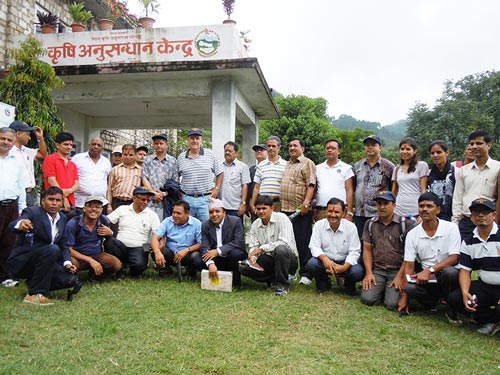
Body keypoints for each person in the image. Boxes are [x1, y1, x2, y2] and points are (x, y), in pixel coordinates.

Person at [7, 187, 81, 305]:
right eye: (50, 199)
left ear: (62, 202)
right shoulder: (32, 212)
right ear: (42, 201)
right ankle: (34, 294)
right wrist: (21, 224)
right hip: (23, 262)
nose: (54, 203)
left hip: (45, 261)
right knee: (52, 249)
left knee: (70, 279)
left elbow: (63, 245)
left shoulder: (62, 218)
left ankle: (33, 282)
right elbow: (12, 225)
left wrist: (67, 263)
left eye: (58, 200)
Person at [399, 192, 460, 313]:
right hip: (426, 279)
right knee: (409, 287)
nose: (424, 209)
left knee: (450, 272)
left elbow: (455, 257)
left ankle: (450, 306)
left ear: (438, 209)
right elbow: (409, 266)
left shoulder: (451, 228)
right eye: (421, 206)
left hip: (446, 275)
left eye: (429, 206)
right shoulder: (412, 234)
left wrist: (430, 270)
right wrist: (404, 298)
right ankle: (432, 304)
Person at [447, 198, 500, 336]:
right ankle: (490, 319)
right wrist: (465, 294)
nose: (480, 215)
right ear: (471, 217)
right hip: (485, 286)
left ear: (494, 215)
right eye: (476, 212)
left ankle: (493, 320)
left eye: (485, 212)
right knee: (455, 298)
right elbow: (465, 270)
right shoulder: (469, 241)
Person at [361, 191, 412, 309]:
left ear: (394, 205)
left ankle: (387, 292)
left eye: (386, 203)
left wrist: (400, 276)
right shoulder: (370, 224)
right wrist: (369, 273)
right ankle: (382, 289)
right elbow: (367, 250)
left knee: (392, 304)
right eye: (379, 204)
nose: (382, 207)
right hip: (378, 270)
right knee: (367, 299)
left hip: (397, 270)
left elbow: (409, 255)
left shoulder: (405, 224)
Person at [240, 195, 298, 296]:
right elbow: (253, 246)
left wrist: (261, 249)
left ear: (272, 208)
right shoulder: (255, 224)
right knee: (242, 267)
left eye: (264, 208)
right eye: (258, 209)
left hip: (288, 259)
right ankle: (273, 280)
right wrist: (253, 257)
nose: (261, 211)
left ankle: (282, 285)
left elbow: (284, 242)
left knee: (280, 250)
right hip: (269, 259)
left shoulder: (282, 218)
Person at [305, 197, 364, 295]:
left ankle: (348, 284)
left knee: (357, 271)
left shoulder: (351, 227)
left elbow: (355, 251)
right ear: (325, 212)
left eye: (337, 212)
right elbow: (314, 246)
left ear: (344, 213)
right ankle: (324, 282)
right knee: (312, 264)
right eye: (329, 212)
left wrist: (344, 267)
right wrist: (325, 259)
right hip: (326, 261)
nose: (333, 215)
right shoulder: (318, 225)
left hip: (344, 261)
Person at [280, 138, 316, 285]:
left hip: (300, 211)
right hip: (285, 210)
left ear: (303, 148)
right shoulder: (287, 163)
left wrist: (306, 203)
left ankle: (306, 273)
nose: (292, 148)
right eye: (290, 146)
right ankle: (291, 271)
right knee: (288, 242)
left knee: (303, 242)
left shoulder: (307, 163)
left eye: (295, 145)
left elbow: (311, 184)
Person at [452, 130, 500, 238]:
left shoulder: (498, 168)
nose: (474, 146)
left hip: (489, 221)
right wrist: (455, 222)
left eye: (478, 143)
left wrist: (496, 221)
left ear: (489, 145)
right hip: (467, 221)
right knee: (465, 253)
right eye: (471, 143)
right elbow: (458, 198)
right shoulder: (463, 171)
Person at [104, 187, 160, 277]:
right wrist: (108, 230)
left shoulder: (152, 215)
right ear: (134, 198)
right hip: (121, 247)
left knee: (139, 267)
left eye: (148, 200)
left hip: (140, 247)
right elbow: (106, 220)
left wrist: (156, 249)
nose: (146, 202)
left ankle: (133, 269)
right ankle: (118, 269)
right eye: (143, 199)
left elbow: (158, 234)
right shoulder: (122, 209)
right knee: (109, 242)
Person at [65, 196, 121, 282]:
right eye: (90, 206)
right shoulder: (73, 223)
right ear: (84, 208)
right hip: (77, 257)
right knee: (70, 264)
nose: (94, 209)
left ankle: (94, 275)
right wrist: (89, 260)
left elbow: (108, 237)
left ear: (101, 210)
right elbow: (69, 249)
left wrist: (110, 233)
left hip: (96, 255)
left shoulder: (103, 220)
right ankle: (72, 278)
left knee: (116, 264)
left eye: (97, 207)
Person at [352, 134, 394, 238]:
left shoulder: (389, 166)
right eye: (367, 145)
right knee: (360, 242)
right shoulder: (357, 166)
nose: (369, 147)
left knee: (378, 242)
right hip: (360, 213)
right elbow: (353, 186)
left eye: (373, 144)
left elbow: (393, 189)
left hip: (379, 213)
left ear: (380, 147)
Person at [177, 128, 223, 223]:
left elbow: (220, 172)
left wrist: (217, 188)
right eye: (192, 138)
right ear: (188, 140)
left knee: (207, 227)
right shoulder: (181, 157)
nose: (195, 141)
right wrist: (179, 190)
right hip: (187, 199)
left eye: (197, 138)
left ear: (201, 140)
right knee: (187, 227)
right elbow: (175, 175)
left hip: (205, 199)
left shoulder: (210, 154)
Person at [199, 198, 246, 287]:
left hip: (231, 255)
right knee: (197, 260)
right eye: (211, 212)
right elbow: (205, 246)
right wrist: (210, 264)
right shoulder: (206, 225)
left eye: (217, 211)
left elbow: (238, 242)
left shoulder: (235, 221)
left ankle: (236, 281)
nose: (214, 214)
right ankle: (217, 276)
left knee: (235, 254)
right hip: (216, 258)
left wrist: (218, 251)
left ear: (224, 213)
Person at [0, 127, 26, 287]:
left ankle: (4, 276)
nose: (5, 142)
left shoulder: (16, 161)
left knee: (8, 242)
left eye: (9, 140)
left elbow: (20, 185)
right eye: (2, 138)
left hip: (11, 206)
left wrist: (21, 209)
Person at [150, 200, 202, 279]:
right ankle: (165, 271)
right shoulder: (167, 221)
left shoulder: (197, 223)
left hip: (187, 254)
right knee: (157, 249)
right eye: (173, 212)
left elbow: (201, 243)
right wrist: (157, 252)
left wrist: (186, 250)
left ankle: (191, 271)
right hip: (171, 254)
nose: (175, 215)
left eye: (178, 213)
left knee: (196, 255)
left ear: (187, 213)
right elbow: (155, 237)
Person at [9, 120, 47, 207]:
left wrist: (40, 138)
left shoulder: (26, 150)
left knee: (29, 219)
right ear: (18, 134)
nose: (29, 138)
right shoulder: (8, 152)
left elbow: (43, 154)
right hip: (15, 193)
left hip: (29, 193)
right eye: (28, 134)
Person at [315, 139, 354, 221]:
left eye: (333, 148)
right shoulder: (317, 168)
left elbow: (349, 190)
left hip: (339, 211)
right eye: (327, 148)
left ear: (339, 151)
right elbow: (315, 189)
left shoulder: (346, 168)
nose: (329, 150)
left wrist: (349, 212)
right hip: (321, 211)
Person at [142, 133, 178, 219]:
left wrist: (163, 194)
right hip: (149, 200)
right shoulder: (147, 160)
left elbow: (175, 183)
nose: (158, 145)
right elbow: (144, 178)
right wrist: (152, 193)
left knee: (163, 229)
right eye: (156, 143)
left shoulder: (173, 161)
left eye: (161, 143)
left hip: (166, 201)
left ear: (166, 145)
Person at [392, 137, 428, 221]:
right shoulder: (397, 169)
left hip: (415, 210)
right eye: (402, 149)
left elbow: (423, 190)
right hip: (398, 211)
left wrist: (423, 211)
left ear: (414, 151)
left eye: (408, 149)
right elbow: (394, 193)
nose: (404, 152)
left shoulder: (421, 165)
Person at [71, 136, 111, 213]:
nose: (96, 147)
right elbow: (69, 177)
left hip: (100, 203)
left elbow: (108, 181)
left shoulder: (106, 162)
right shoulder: (77, 158)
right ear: (89, 145)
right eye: (94, 144)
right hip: (81, 203)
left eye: (99, 145)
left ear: (102, 149)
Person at [42, 132, 79, 213]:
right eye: (66, 144)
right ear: (57, 145)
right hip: (53, 201)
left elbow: (76, 185)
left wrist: (69, 191)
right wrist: (63, 198)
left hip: (71, 203)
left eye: (70, 145)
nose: (69, 147)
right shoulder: (50, 159)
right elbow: (51, 181)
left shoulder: (73, 164)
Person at [250, 136, 286, 212]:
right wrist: (253, 204)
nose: (271, 148)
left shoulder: (286, 165)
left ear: (278, 148)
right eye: (269, 146)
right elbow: (257, 187)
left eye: (273, 146)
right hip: (262, 203)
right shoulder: (260, 165)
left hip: (278, 203)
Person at [107, 144, 143, 213]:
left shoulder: (140, 170)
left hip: (132, 203)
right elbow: (109, 190)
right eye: (125, 154)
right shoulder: (115, 170)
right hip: (116, 203)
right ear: (122, 155)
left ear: (135, 155)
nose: (128, 157)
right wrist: (109, 205)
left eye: (131, 155)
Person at [220, 141, 250, 221]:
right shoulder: (219, 167)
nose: (227, 153)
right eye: (225, 151)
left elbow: (245, 186)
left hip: (235, 207)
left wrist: (243, 204)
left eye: (230, 151)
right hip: (221, 207)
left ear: (236, 153)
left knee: (236, 231)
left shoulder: (242, 167)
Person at [427, 140, 455, 221]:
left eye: (439, 152)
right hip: (433, 215)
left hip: (451, 215)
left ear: (447, 152)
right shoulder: (428, 174)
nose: (435, 155)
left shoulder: (456, 172)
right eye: (432, 153)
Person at [247, 144, 268, 221]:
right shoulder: (252, 169)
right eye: (256, 150)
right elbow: (249, 188)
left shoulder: (271, 167)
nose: (258, 151)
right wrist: (247, 204)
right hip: (255, 205)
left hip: (268, 204)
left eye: (261, 150)